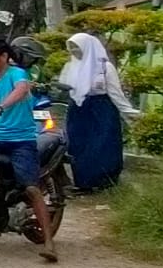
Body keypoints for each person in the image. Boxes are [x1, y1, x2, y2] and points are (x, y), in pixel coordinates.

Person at [0, 37, 58, 263]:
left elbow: (21, 92)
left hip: (22, 141)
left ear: (3, 57)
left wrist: (0, 108)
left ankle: (49, 242)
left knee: (31, 189)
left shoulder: (17, 75)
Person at [59, 31, 137, 192]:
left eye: (77, 48)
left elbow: (115, 93)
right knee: (78, 145)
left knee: (102, 145)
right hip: (78, 110)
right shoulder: (70, 67)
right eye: (71, 48)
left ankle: (105, 182)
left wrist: (130, 113)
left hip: (101, 111)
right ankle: (83, 183)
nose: (74, 52)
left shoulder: (105, 67)